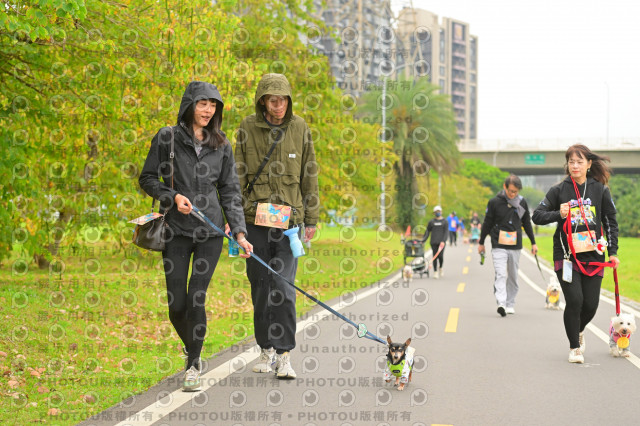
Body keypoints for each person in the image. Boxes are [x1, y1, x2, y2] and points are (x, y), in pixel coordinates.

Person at [139, 81, 253, 392]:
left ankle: (193, 364)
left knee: (196, 297)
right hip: (176, 230)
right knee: (176, 304)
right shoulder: (167, 137)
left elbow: (230, 190)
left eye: (213, 105)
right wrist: (173, 196)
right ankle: (193, 347)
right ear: (190, 105)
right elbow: (147, 178)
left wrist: (239, 231)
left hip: (210, 232)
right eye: (203, 103)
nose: (208, 110)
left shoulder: (222, 144)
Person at [234, 73, 319, 379]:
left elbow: (309, 174)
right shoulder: (246, 127)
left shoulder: (300, 127)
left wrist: (311, 219)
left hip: (289, 224)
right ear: (262, 101)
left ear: (289, 101)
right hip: (254, 220)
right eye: (273, 100)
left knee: (283, 287)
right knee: (261, 287)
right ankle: (266, 348)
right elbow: (236, 176)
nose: (278, 105)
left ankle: (284, 355)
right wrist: (235, 219)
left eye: (283, 99)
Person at [532, 144, 619, 364]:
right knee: (575, 300)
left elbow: (610, 222)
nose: (575, 166)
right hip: (566, 256)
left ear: (589, 164)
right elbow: (537, 216)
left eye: (580, 162)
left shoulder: (600, 190)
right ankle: (574, 348)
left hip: (594, 255)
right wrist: (558, 213)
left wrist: (612, 252)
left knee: (591, 304)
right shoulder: (559, 190)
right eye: (571, 162)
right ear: (567, 164)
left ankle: (578, 330)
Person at [478, 175, 538, 317]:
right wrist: (481, 242)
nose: (513, 194)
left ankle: (510, 303)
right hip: (498, 243)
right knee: (500, 273)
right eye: (511, 191)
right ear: (505, 187)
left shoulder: (522, 202)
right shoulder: (494, 202)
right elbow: (487, 223)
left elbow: (527, 223)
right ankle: (501, 303)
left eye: (516, 192)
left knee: (513, 276)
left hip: (515, 245)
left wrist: (533, 243)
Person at [421, 205, 447, 279]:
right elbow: (427, 232)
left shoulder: (445, 222)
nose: (437, 213)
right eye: (436, 212)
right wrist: (423, 240)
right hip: (433, 242)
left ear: (441, 212)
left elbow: (446, 232)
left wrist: (443, 241)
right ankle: (435, 272)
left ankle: (440, 267)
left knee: (440, 256)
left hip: (441, 243)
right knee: (435, 256)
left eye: (438, 211)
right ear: (434, 213)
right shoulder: (431, 222)